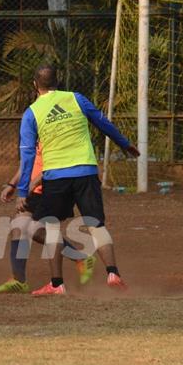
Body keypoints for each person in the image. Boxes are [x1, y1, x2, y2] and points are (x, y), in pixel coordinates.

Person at [17, 66, 139, 296]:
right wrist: (124, 143)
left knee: (52, 228)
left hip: (55, 176)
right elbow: (102, 123)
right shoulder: (76, 98)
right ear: (58, 81)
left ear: (35, 85)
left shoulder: (31, 113)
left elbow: (27, 155)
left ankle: (56, 284)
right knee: (96, 224)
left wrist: (23, 190)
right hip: (86, 171)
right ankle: (113, 273)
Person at [0, 142, 96, 293]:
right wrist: (12, 184)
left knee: (35, 230)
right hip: (35, 190)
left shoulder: (53, 132)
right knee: (19, 227)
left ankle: (80, 259)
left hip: (50, 189)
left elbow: (54, 164)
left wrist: (31, 185)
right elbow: (27, 162)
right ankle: (19, 280)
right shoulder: (31, 133)